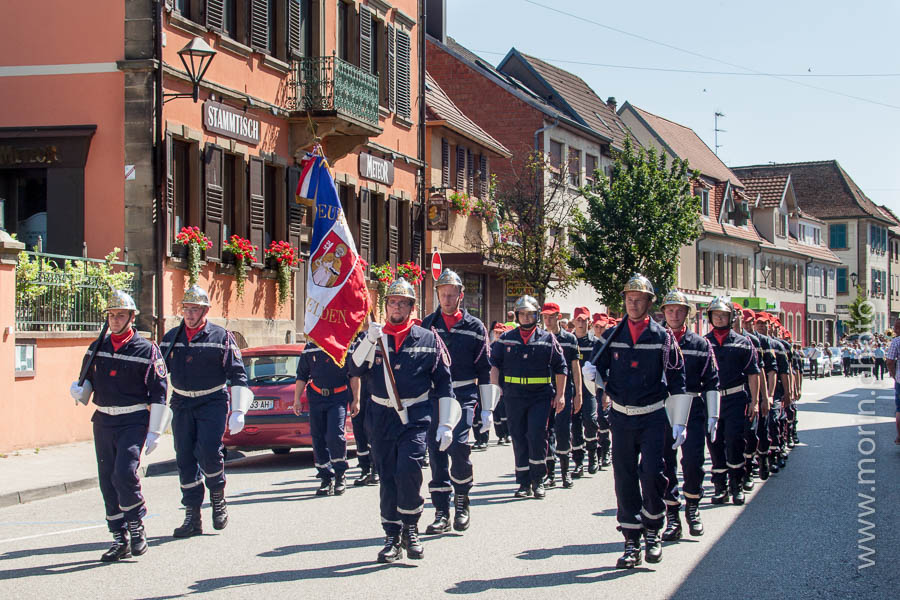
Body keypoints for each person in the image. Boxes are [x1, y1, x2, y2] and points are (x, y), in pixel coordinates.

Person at [582, 274, 689, 569]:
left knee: (653, 475)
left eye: (638, 299)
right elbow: (596, 369)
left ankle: (652, 532)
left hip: (654, 416)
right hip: (622, 417)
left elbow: (678, 379)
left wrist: (679, 421)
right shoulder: (611, 336)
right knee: (624, 478)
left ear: (649, 302)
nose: (632, 303)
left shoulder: (662, 338)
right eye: (629, 298)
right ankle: (631, 539)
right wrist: (592, 379)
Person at [351, 278, 456, 563]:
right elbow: (353, 368)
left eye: (402, 303)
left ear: (412, 307)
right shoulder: (372, 337)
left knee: (408, 470)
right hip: (381, 416)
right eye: (392, 302)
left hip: (415, 416)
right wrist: (370, 340)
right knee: (386, 476)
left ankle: (411, 529)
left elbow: (444, 384)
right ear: (385, 306)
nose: (396, 307)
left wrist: (446, 424)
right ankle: (391, 536)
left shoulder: (428, 338)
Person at [69, 291, 170, 562]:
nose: (114, 320)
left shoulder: (146, 349)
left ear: (131, 318)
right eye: (111, 316)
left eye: (120, 315)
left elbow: (159, 391)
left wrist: (155, 431)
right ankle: (119, 537)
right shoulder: (96, 347)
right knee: (107, 480)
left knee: (124, 473)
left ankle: (136, 526)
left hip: (133, 419)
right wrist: (80, 390)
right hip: (103, 420)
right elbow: (88, 380)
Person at [161, 285, 252, 538]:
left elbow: (238, 374)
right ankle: (192, 514)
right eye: (186, 309)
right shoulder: (171, 337)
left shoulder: (221, 336)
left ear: (205, 311)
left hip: (212, 400)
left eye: (194, 309)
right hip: (181, 402)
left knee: (209, 452)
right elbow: (157, 374)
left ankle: (217, 497)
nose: (189, 314)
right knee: (185, 458)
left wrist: (238, 411)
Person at [421, 269, 496, 535]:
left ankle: (462, 502)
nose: (448, 299)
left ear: (460, 295)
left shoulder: (475, 327)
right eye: (443, 294)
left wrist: (487, 408)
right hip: (433, 398)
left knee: (459, 447)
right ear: (437, 295)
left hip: (463, 396)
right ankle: (442, 511)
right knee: (437, 452)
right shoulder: (426, 326)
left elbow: (485, 368)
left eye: (452, 295)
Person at [490, 295, 566, 500]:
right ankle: (523, 482)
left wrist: (560, 395)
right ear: (516, 315)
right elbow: (494, 363)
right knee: (518, 437)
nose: (525, 317)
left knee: (536, 436)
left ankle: (538, 480)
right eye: (522, 314)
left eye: (529, 314)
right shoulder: (506, 338)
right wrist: (495, 389)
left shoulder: (548, 338)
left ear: (536, 315)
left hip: (540, 397)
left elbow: (561, 368)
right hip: (514, 397)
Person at [659, 290, 719, 541]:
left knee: (693, 463)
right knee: (664, 465)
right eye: (670, 310)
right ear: (663, 312)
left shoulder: (700, 344)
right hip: (662, 409)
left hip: (693, 408)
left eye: (679, 310)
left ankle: (693, 508)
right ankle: (672, 517)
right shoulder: (656, 340)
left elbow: (712, 381)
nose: (674, 314)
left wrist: (713, 415)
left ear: (687, 314)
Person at [705, 297, 760, 507]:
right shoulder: (704, 342)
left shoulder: (743, 343)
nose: (719, 318)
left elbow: (753, 374)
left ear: (731, 317)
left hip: (736, 398)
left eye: (723, 315)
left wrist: (755, 401)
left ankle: (736, 484)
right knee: (714, 442)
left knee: (735, 441)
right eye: (715, 314)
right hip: (712, 399)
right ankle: (720, 487)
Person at [294, 339, 360, 496]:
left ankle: (339, 475)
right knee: (318, 437)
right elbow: (302, 375)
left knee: (335, 435)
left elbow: (354, 375)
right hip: (316, 396)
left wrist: (356, 400)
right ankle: (325, 477)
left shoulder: (345, 346)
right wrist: (296, 399)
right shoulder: (310, 348)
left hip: (337, 397)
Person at [540, 302, 582, 489]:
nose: (547, 320)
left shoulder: (569, 339)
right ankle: (550, 474)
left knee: (564, 430)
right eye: (544, 317)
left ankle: (565, 472)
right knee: (547, 433)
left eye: (551, 316)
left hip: (565, 390)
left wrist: (578, 393)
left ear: (558, 316)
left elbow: (575, 367)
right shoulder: (540, 338)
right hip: (544, 391)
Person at [571, 306, 601, 477]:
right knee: (574, 425)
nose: (581, 323)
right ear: (574, 321)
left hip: (589, 389)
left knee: (590, 421)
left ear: (589, 322)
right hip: (573, 389)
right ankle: (578, 462)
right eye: (579, 320)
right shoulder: (570, 340)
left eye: (584, 320)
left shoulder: (595, 343)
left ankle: (593, 455)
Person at [884, 319, 900, 445]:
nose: (893, 330)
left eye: (895, 327)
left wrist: (894, 374)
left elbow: (889, 361)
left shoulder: (896, 341)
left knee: (899, 409)